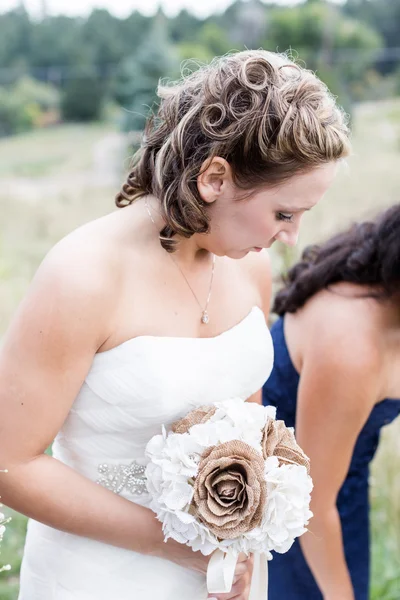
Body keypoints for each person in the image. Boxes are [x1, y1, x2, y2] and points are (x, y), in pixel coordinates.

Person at [0, 50, 349, 600]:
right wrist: (178, 546)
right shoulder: (83, 276)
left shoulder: (251, 266)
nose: (292, 237)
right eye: (284, 213)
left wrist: (247, 533)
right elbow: (9, 463)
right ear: (215, 177)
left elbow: (250, 425)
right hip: (101, 575)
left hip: (227, 573)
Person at [263, 204, 400, 600]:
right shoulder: (352, 347)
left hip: (344, 489)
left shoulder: (386, 290)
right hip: (288, 510)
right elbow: (310, 504)